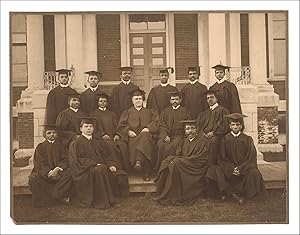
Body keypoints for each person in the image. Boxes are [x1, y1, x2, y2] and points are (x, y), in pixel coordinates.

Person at [68, 117, 129, 209]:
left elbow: (106, 156)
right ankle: (103, 202)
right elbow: (78, 160)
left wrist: (111, 164)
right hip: (85, 171)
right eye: (86, 126)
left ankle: (114, 198)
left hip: (100, 167)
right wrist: (94, 164)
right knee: (100, 170)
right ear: (81, 128)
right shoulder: (76, 143)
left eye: (91, 126)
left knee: (120, 173)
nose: (89, 128)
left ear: (93, 128)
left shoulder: (97, 142)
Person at [153, 120, 209, 206]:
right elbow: (178, 154)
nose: (190, 131)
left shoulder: (203, 141)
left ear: (197, 129)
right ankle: (162, 191)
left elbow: (201, 158)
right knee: (166, 162)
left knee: (175, 163)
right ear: (185, 130)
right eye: (188, 129)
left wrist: (180, 161)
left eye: (192, 128)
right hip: (184, 164)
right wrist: (174, 160)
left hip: (195, 167)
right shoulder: (183, 141)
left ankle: (174, 194)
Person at [219, 113, 265, 205]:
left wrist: (241, 168)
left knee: (254, 173)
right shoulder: (225, 139)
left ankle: (248, 195)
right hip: (230, 170)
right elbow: (222, 157)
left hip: (244, 169)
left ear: (241, 126)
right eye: (233, 124)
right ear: (230, 126)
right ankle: (233, 194)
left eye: (237, 124)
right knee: (219, 172)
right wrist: (232, 169)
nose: (235, 126)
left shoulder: (247, 139)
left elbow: (251, 157)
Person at [117, 88, 159, 181]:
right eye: (136, 99)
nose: (138, 101)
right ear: (132, 101)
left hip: (147, 135)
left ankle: (138, 161)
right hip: (132, 137)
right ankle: (146, 172)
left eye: (140, 98)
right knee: (143, 141)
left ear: (143, 100)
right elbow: (121, 125)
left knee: (145, 138)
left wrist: (148, 128)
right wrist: (128, 131)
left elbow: (156, 123)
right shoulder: (127, 112)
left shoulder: (149, 111)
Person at [28, 124, 73, 207]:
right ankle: (54, 198)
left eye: (54, 132)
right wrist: (49, 172)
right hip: (45, 173)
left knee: (70, 173)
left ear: (57, 134)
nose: (52, 134)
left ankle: (55, 195)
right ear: (44, 135)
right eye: (49, 133)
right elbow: (40, 163)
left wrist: (57, 169)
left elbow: (66, 159)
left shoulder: (62, 146)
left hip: (59, 172)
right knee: (34, 178)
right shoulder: (40, 147)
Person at [196, 89, 230, 199]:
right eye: (208, 98)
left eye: (211, 97)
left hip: (217, 137)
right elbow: (199, 127)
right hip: (204, 137)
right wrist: (202, 133)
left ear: (217, 98)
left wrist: (214, 132)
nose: (209, 100)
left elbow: (225, 126)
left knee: (212, 142)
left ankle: (209, 173)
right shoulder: (204, 113)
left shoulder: (223, 111)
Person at [90, 93, 129, 171]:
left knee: (122, 145)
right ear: (98, 103)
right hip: (100, 139)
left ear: (107, 103)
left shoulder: (112, 114)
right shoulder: (93, 114)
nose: (103, 103)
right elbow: (92, 129)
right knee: (110, 145)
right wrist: (102, 135)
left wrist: (117, 135)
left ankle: (125, 168)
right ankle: (116, 168)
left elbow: (117, 127)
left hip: (112, 137)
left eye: (105, 101)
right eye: (101, 101)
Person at [155, 91, 191, 171]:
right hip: (167, 135)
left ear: (180, 100)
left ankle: (171, 168)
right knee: (161, 145)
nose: (174, 101)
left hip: (179, 135)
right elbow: (162, 125)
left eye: (176, 99)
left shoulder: (185, 111)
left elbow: (188, 126)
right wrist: (165, 135)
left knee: (174, 145)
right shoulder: (165, 112)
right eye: (173, 99)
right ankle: (161, 168)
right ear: (170, 101)